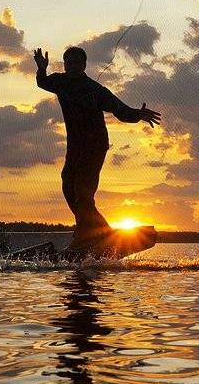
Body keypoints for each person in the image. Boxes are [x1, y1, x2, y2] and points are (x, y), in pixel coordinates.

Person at [34, 45, 160, 242]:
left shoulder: (95, 90)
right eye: (69, 63)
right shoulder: (60, 81)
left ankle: (96, 233)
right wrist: (42, 68)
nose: (73, 66)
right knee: (68, 185)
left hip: (95, 145)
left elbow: (120, 110)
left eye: (77, 63)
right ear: (65, 65)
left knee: (83, 192)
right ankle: (90, 229)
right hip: (75, 146)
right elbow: (42, 82)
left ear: (84, 65)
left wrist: (138, 114)